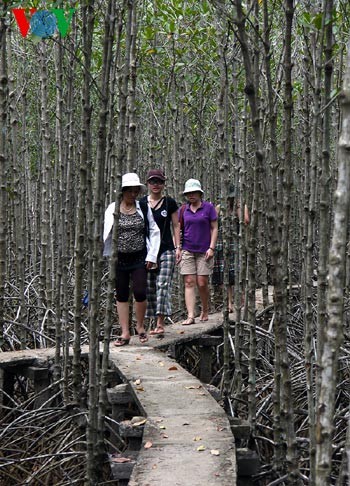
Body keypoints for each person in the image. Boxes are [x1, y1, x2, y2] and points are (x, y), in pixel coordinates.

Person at [103, 173, 160, 346]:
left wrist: (152, 256)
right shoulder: (112, 208)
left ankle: (140, 327)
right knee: (121, 294)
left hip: (139, 256)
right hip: (119, 258)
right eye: (130, 191)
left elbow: (154, 230)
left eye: (136, 191)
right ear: (123, 191)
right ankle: (125, 332)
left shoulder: (143, 207)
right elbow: (105, 232)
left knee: (140, 291)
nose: (134, 194)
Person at [140, 169, 181, 336]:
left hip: (166, 250)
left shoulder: (169, 203)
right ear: (148, 184)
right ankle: (150, 323)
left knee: (162, 285)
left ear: (164, 184)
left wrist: (178, 247)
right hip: (148, 252)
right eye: (152, 182)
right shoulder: (141, 203)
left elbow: (176, 225)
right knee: (149, 287)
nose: (156, 185)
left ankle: (160, 323)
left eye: (159, 182)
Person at [178, 179, 218, 325]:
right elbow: (178, 229)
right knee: (189, 282)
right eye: (188, 193)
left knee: (202, 283)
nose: (191, 195)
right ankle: (190, 315)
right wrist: (178, 248)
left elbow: (214, 228)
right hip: (187, 249)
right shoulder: (183, 210)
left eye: (194, 192)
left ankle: (205, 309)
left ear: (200, 193)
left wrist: (212, 247)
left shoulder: (208, 208)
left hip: (204, 251)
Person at [212, 185, 250, 312]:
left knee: (239, 274)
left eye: (232, 197)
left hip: (237, 245)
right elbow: (213, 225)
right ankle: (229, 303)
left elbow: (245, 221)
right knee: (225, 276)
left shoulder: (241, 207)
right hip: (222, 245)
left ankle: (242, 298)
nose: (230, 200)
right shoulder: (218, 208)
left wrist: (238, 208)